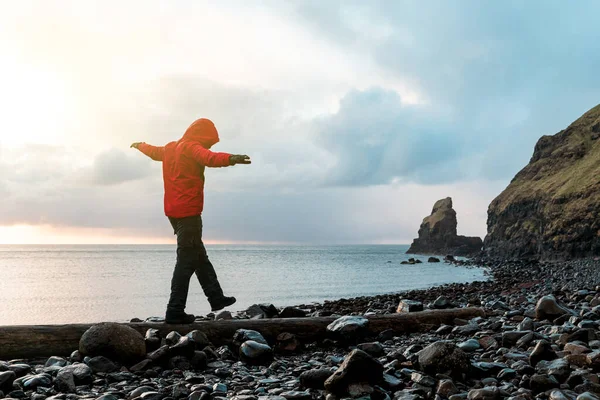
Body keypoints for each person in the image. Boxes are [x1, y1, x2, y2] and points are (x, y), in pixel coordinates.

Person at [131, 118, 251, 324]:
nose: (209, 145)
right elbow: (209, 158)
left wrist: (140, 145)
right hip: (189, 213)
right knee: (186, 262)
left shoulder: (170, 148)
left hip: (173, 212)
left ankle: (216, 297)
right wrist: (231, 158)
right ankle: (174, 310)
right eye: (209, 141)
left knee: (198, 256)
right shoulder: (191, 147)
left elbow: (154, 151)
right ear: (202, 136)